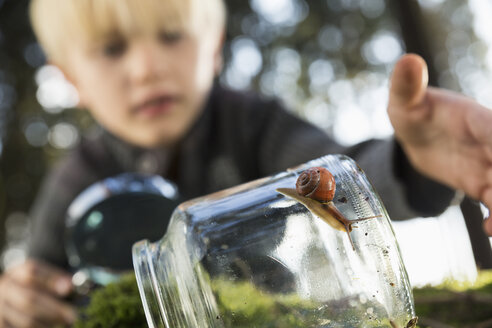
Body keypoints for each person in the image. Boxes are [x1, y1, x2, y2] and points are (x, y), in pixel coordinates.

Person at [1, 0, 492, 326]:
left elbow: (337, 184)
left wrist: (414, 162)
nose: (146, 67)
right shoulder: (81, 176)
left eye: (171, 36)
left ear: (213, 48)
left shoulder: (254, 125)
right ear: (72, 79)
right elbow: (39, 278)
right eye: (112, 49)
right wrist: (20, 301)